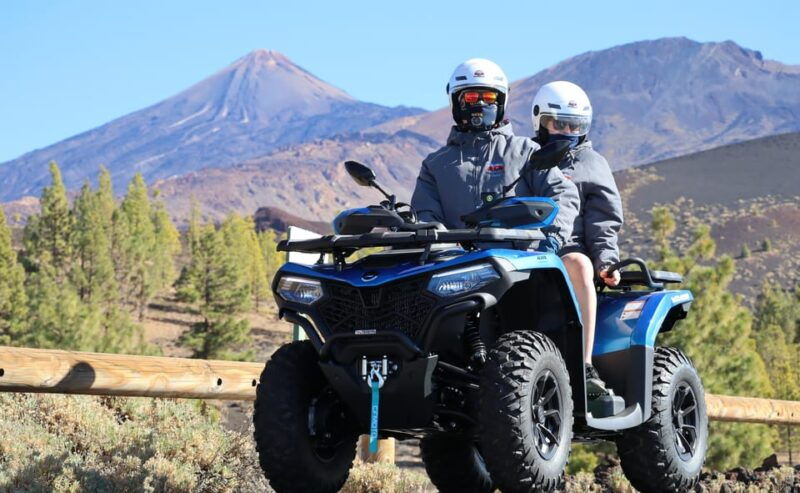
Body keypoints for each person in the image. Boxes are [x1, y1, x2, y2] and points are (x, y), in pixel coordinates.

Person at [410, 58, 579, 254]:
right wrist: (441, 244)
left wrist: (552, 236)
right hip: (456, 268)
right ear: (456, 101)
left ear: (501, 101)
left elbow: (564, 193)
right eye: (471, 97)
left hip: (523, 264)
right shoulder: (435, 164)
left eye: (489, 97)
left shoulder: (524, 151)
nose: (481, 103)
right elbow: (425, 215)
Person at [531, 81, 624, 397]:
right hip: (523, 246)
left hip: (570, 248)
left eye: (576, 125)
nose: (568, 131)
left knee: (580, 265)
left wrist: (607, 262)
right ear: (540, 121)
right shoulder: (524, 156)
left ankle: (583, 366)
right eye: (559, 123)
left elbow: (604, 222)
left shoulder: (592, 164)